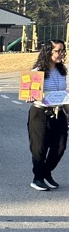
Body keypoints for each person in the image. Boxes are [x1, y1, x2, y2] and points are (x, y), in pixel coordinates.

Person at [28, 39, 69, 191]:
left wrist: (68, 113)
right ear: (48, 52)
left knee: (60, 147)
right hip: (40, 113)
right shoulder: (37, 72)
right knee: (39, 149)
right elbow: (29, 92)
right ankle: (37, 178)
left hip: (59, 113)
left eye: (62, 51)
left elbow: (63, 96)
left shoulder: (61, 71)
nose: (61, 54)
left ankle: (45, 173)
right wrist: (30, 96)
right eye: (58, 51)